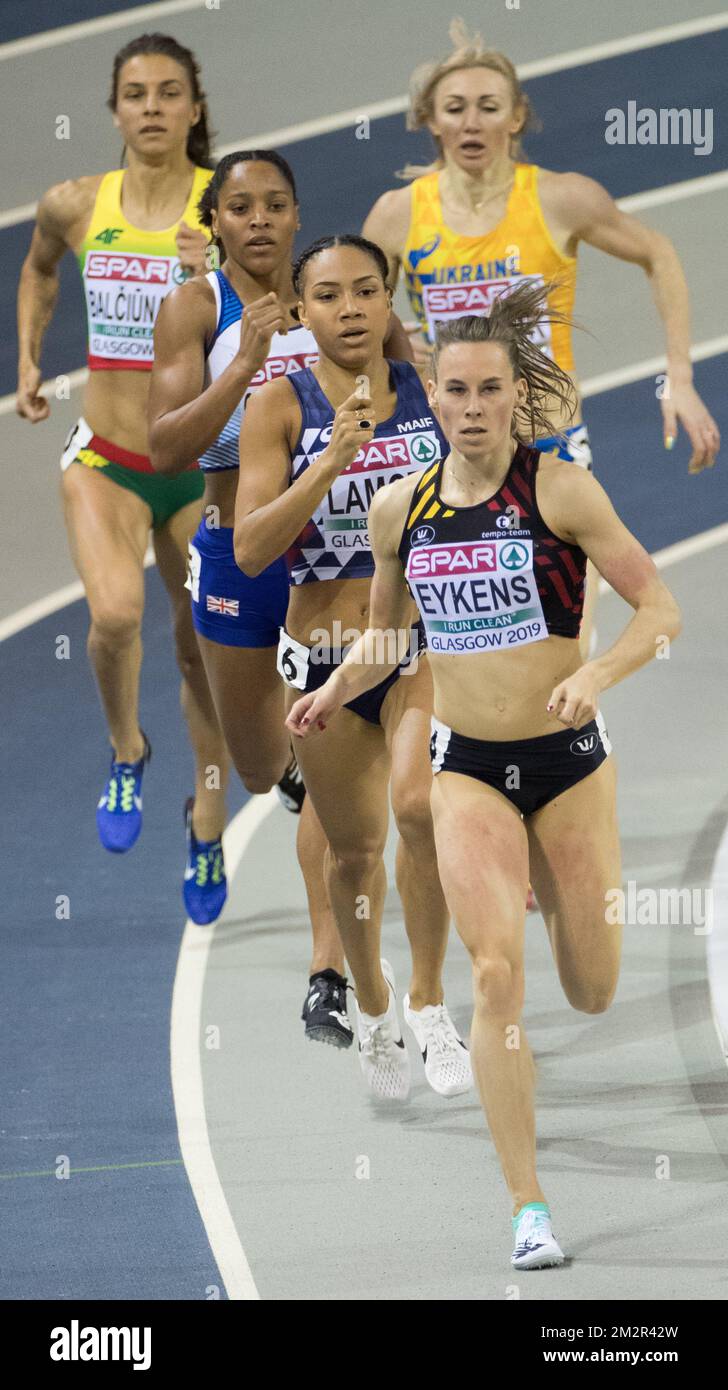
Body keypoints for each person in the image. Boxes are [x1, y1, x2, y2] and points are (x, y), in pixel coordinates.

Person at [285, 281, 681, 1269]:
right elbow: (387, 636)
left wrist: (592, 672)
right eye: (451, 390)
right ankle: (527, 1208)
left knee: (590, 988)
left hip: (566, 764)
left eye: (487, 390)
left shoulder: (559, 491)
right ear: (431, 389)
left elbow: (658, 610)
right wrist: (333, 689)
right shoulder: (399, 509)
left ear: (514, 396)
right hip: (466, 767)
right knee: (495, 975)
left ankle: (555, 884)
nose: (468, 407)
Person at [363, 19, 718, 658]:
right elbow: (357, 314)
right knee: (449, 649)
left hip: (549, 450)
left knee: (565, 652)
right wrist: (396, 345)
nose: (472, 123)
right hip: (450, 458)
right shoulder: (398, 214)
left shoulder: (559, 199)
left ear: (516, 118)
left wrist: (681, 380)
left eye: (489, 108)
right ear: (430, 122)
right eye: (455, 109)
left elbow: (659, 253)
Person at [234, 234, 473, 1101]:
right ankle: (370, 1003)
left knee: (420, 810)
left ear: (388, 300)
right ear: (302, 311)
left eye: (366, 291)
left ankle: (430, 1001)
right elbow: (254, 547)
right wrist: (328, 461)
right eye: (329, 296)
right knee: (353, 851)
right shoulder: (280, 407)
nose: (350, 310)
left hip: (412, 645)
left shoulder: (423, 386)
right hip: (323, 652)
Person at [15, 33, 229, 925]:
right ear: (113, 110)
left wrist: (208, 280)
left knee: (200, 648)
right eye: (135, 93)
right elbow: (37, 270)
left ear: (192, 108)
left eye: (167, 92)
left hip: (195, 464)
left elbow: (281, 306)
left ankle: (207, 825)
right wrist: (28, 358)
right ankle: (126, 750)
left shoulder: (229, 206)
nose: (150, 107)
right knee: (113, 616)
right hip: (106, 460)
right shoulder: (73, 204)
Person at [149, 149, 349, 1045]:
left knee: (340, 759)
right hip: (236, 556)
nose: (259, 220)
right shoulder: (197, 307)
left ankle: (331, 973)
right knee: (264, 770)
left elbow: (398, 389)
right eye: (239, 207)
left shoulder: (334, 295)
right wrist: (246, 367)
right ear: (217, 221)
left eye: (275, 204)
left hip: (329, 556)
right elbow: (164, 449)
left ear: (297, 214)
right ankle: (305, 776)